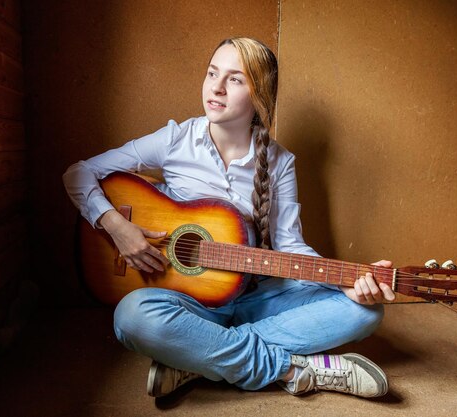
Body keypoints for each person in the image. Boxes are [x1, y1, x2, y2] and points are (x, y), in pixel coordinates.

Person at [63, 37, 396, 399]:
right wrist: (116, 226)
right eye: (212, 73)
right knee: (130, 318)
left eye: (235, 79)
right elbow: (78, 173)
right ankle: (294, 369)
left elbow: (290, 245)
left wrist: (346, 281)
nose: (216, 87)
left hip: (255, 298)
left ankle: (196, 358)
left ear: (260, 94)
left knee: (366, 312)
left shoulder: (280, 162)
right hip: (185, 302)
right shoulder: (176, 139)